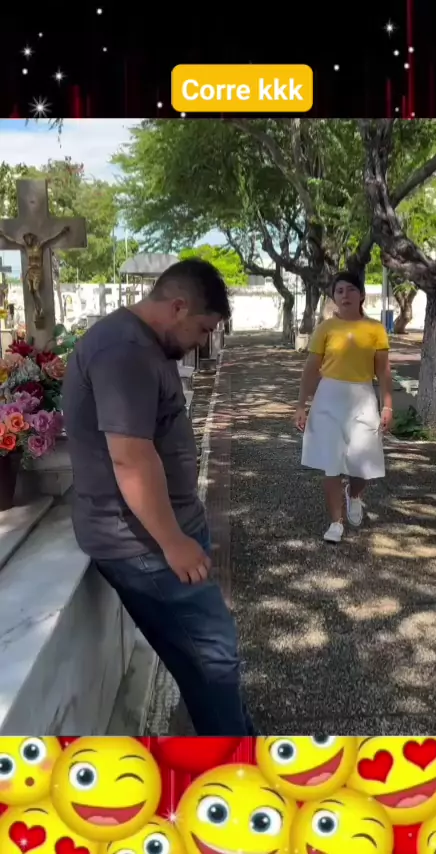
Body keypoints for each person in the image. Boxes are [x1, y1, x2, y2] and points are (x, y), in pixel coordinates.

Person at [62, 258, 255, 735]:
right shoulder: (124, 350)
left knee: (203, 658)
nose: (203, 342)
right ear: (178, 307)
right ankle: (234, 759)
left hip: (163, 532)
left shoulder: (144, 345)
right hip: (143, 544)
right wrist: (172, 541)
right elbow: (130, 458)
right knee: (213, 654)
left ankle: (234, 743)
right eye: (203, 329)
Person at [294, 271, 393, 544]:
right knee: (331, 463)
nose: (345, 295)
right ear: (333, 297)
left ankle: (355, 494)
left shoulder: (375, 329)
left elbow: (383, 371)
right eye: (339, 291)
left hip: (362, 397)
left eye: (351, 290)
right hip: (329, 397)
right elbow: (311, 369)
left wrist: (387, 406)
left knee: (363, 462)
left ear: (361, 295)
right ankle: (335, 522)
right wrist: (301, 405)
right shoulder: (325, 328)